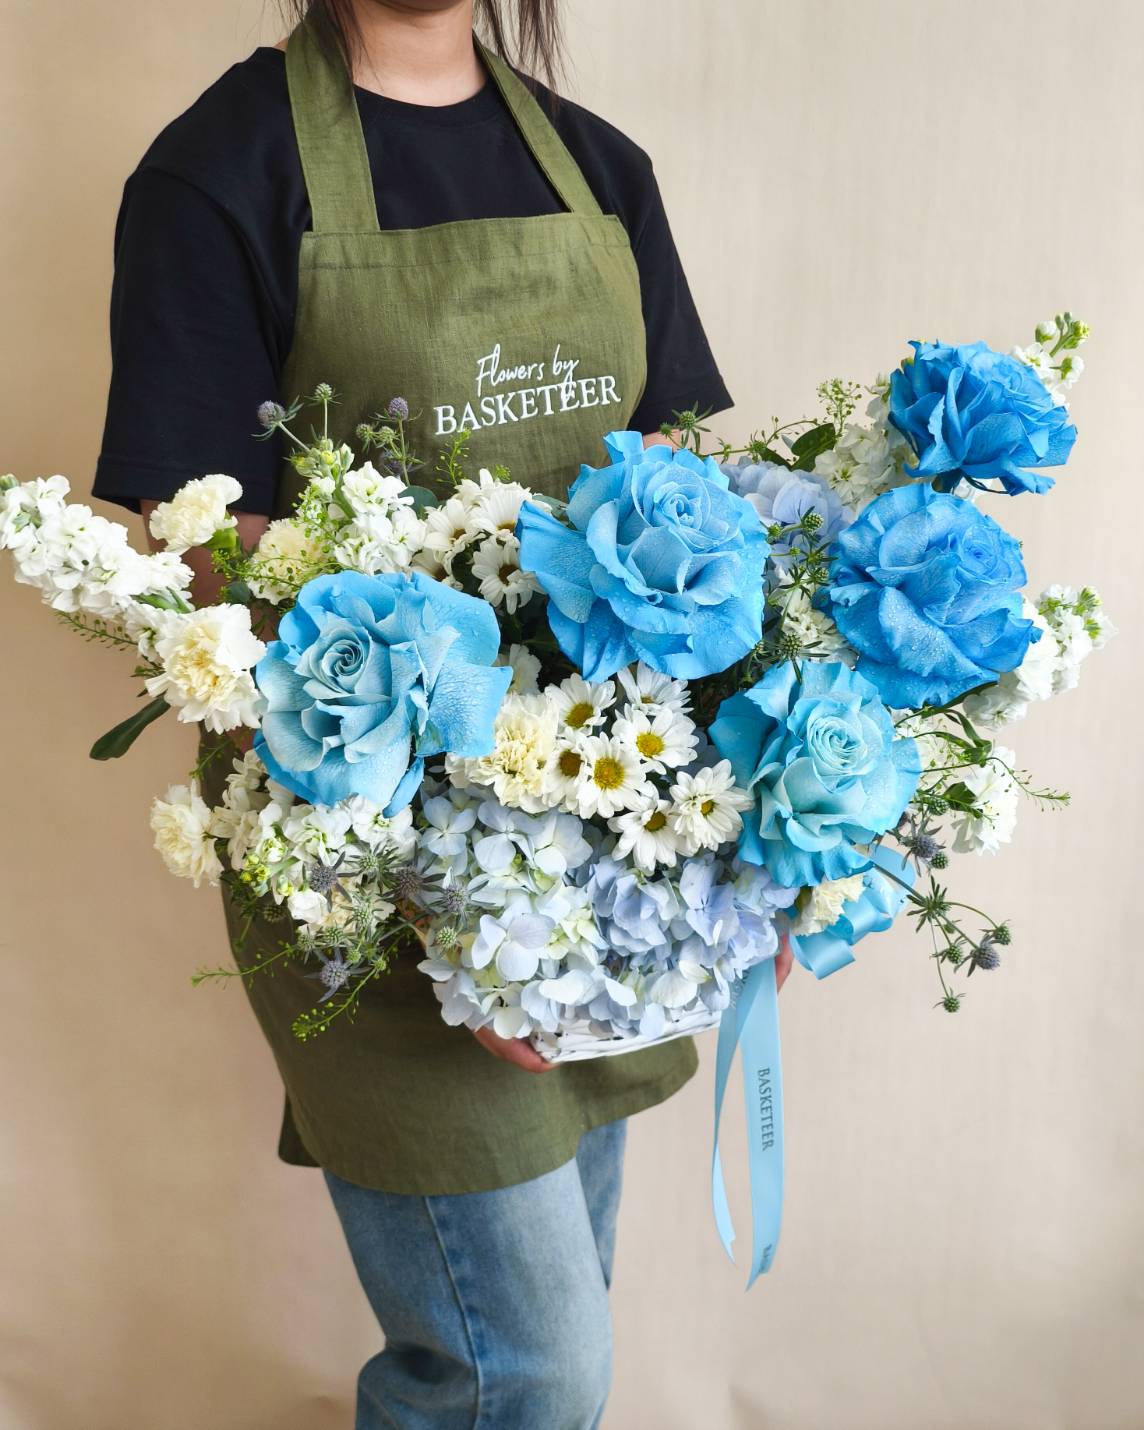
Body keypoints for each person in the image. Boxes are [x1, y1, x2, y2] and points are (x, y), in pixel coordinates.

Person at [93, 2, 788, 1424]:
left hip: (596, 848)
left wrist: (727, 854)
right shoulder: (217, 175)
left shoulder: (601, 169)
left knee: (561, 1316)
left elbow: (681, 518)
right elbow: (199, 563)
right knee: (517, 1368)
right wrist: (457, 902)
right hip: (366, 848)